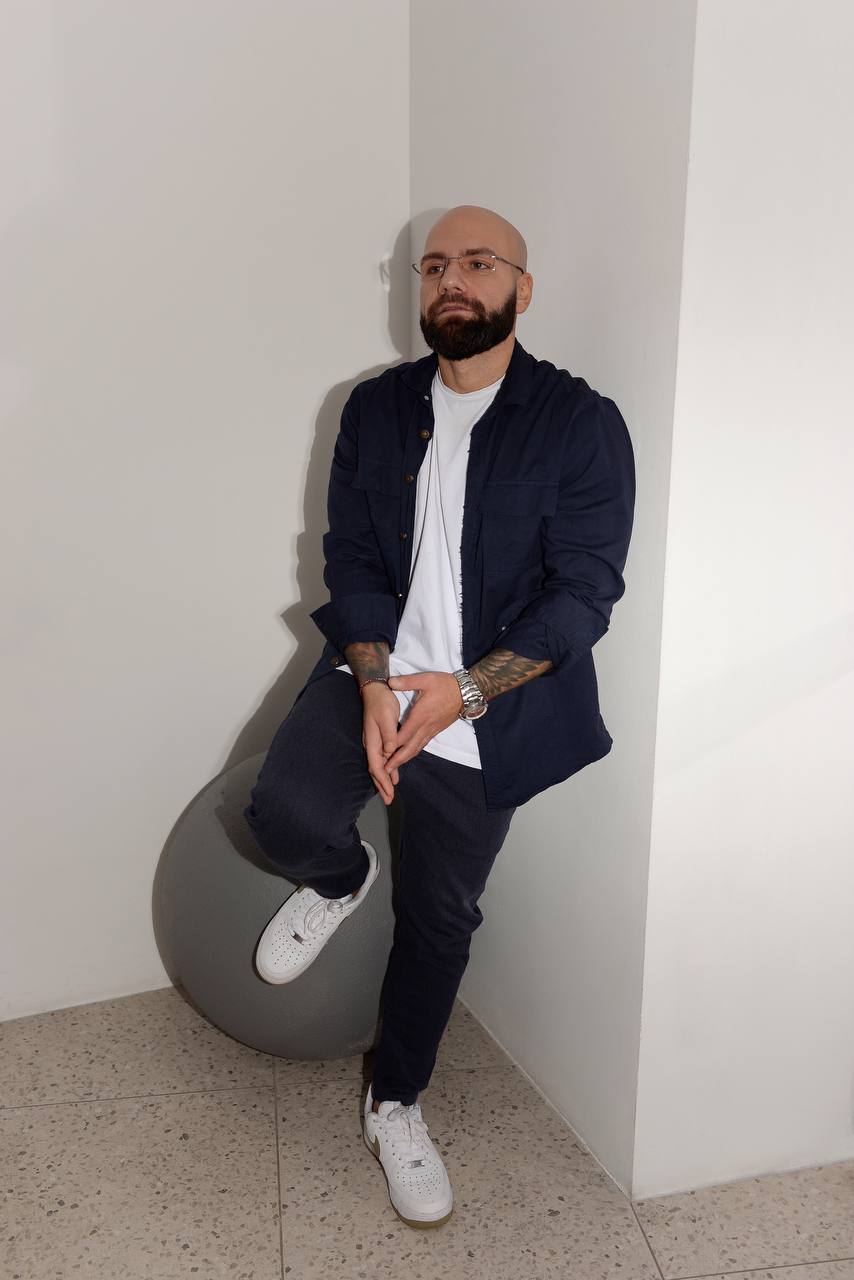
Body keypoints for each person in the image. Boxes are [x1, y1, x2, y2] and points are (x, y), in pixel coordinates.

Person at [243, 205, 635, 1230]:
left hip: (484, 708)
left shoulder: (577, 421)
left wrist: (459, 691)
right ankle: (340, 878)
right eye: (432, 267)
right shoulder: (375, 406)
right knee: (283, 812)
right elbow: (348, 553)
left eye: (477, 262)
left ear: (522, 287)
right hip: (374, 669)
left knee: (439, 919)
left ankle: (395, 1103)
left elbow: (583, 595)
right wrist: (374, 680)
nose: (451, 281)